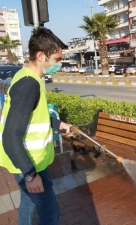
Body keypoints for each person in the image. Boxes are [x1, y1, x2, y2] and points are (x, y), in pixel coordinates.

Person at [0, 27, 73, 225]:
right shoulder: (28, 84)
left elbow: (32, 118)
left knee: (28, 203)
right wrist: (31, 175)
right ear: (41, 56)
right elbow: (11, 136)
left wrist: (58, 123)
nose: (60, 63)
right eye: (57, 59)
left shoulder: (29, 77)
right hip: (29, 164)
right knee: (50, 213)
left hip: (29, 162)